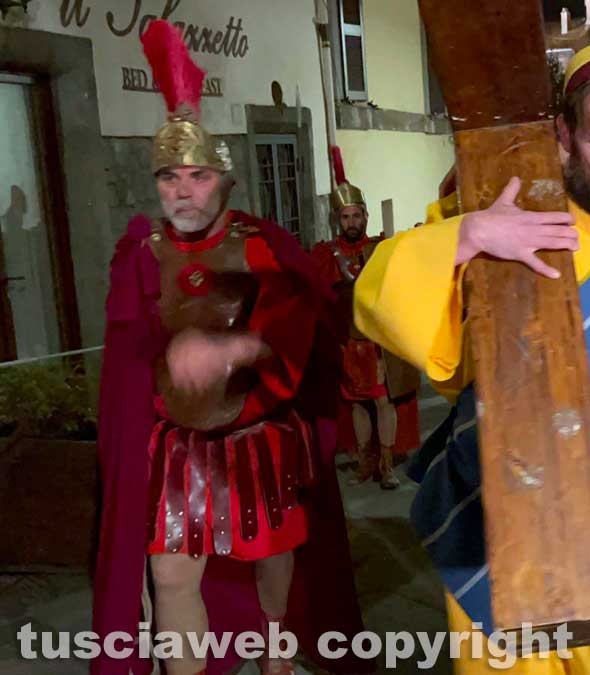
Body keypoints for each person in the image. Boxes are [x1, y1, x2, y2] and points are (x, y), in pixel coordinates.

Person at [354, 39, 590, 674]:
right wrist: (467, 234)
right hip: (494, 512)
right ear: (564, 132)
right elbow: (375, 297)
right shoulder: (500, 211)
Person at [91, 21, 370, 675]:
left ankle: (275, 650)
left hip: (256, 435)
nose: (183, 190)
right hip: (178, 443)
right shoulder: (140, 254)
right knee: (170, 574)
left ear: (223, 180)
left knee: (270, 556)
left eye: (196, 175)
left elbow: (302, 323)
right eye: (169, 177)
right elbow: (128, 353)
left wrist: (235, 348)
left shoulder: (261, 246)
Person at [310, 150, 421, 490]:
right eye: (345, 217)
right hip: (348, 342)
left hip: (376, 343)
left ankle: (386, 465)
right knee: (357, 403)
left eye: (356, 215)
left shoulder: (381, 248)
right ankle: (364, 461)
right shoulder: (326, 255)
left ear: (366, 215)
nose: (352, 222)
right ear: (338, 220)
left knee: (383, 400)